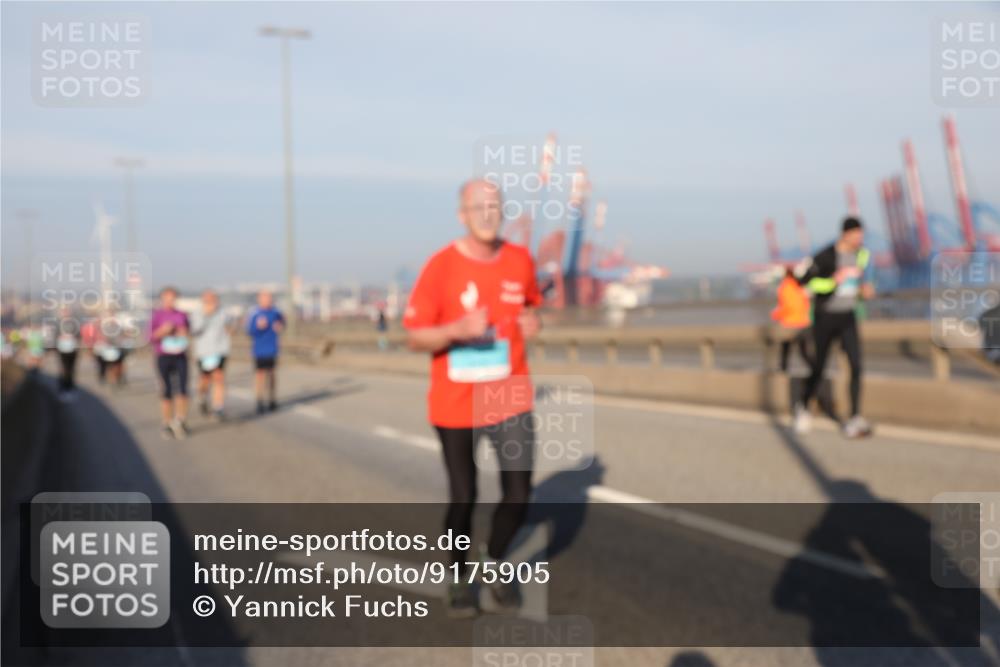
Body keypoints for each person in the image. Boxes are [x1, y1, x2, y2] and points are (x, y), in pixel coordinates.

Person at [403, 179, 542, 617]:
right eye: (476, 206)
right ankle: (460, 578)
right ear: (462, 214)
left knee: (519, 495)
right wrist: (454, 331)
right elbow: (414, 336)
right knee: (464, 496)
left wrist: (533, 321)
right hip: (455, 400)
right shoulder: (440, 266)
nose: (487, 212)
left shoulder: (520, 260)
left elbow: (531, 306)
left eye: (494, 205)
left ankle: (495, 560)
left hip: (509, 393)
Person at [794, 217, 874, 438]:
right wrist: (832, 281)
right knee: (819, 366)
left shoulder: (861, 255)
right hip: (826, 317)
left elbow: (857, 283)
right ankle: (803, 407)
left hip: (848, 316)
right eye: (856, 234)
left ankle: (855, 416)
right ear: (845, 234)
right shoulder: (826, 256)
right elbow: (805, 282)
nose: (860, 238)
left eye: (861, 234)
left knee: (856, 365)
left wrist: (862, 291)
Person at [150, 287, 191, 439]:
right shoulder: (157, 315)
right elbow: (150, 337)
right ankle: (166, 423)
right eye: (167, 298)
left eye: (173, 298)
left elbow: (188, 333)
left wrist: (183, 332)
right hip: (163, 355)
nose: (170, 301)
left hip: (180, 355)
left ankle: (180, 421)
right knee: (166, 391)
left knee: (182, 389)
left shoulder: (182, 315)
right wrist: (163, 331)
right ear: (162, 299)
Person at [191, 289, 232, 420]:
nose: (211, 302)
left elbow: (230, 327)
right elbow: (194, 330)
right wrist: (206, 315)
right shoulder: (197, 313)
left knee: (219, 377)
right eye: (208, 299)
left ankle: (218, 407)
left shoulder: (224, 312)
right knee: (205, 379)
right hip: (204, 352)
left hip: (220, 350)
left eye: (214, 299)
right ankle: (202, 396)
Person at [245, 290, 284, 414]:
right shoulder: (255, 313)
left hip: (272, 348)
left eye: (269, 298)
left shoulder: (276, 312)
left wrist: (280, 326)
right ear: (259, 299)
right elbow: (249, 330)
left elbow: (283, 323)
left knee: (272, 374)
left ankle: (272, 399)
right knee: (260, 375)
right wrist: (258, 327)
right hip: (259, 349)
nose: (268, 300)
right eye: (265, 298)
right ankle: (259, 400)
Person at [771, 267, 813, 373]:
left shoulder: (785, 287)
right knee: (803, 350)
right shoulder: (800, 286)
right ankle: (814, 368)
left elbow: (788, 306)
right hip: (803, 322)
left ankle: (783, 368)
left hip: (790, 323)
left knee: (786, 347)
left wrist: (776, 314)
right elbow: (806, 304)